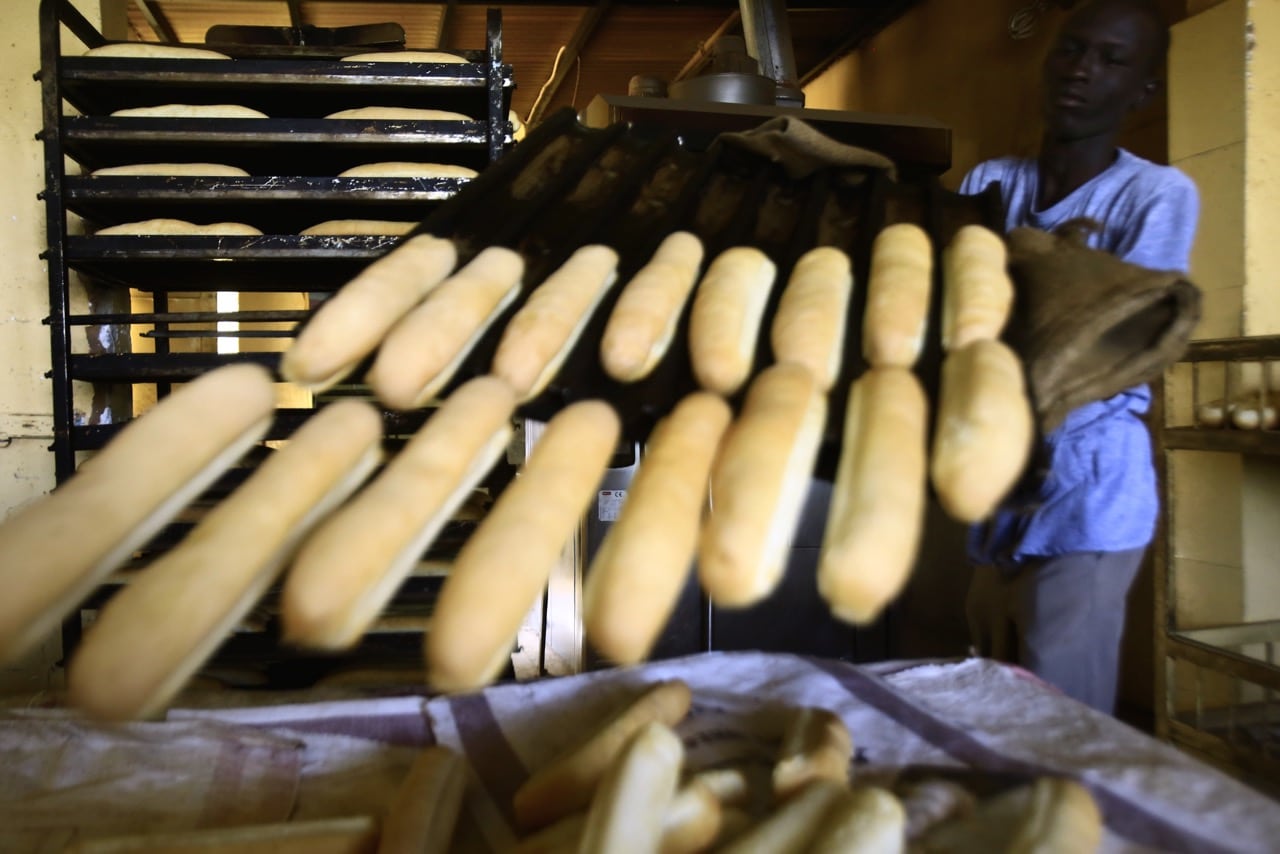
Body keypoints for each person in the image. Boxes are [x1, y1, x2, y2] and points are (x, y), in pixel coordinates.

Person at [959, 0, 1199, 714]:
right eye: (1071, 50)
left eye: (1112, 60)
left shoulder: (1154, 193)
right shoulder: (991, 184)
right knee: (986, 695)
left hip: (1085, 497)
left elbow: (1116, 342)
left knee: (1059, 715)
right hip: (993, 492)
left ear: (1142, 91)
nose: (1081, 71)